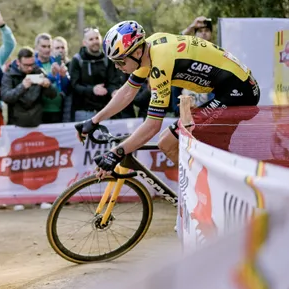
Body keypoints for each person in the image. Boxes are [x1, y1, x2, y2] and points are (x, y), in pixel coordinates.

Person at [76, 20, 260, 176]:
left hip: (239, 90)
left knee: (168, 142)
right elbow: (127, 92)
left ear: (137, 53)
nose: (117, 67)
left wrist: (116, 153)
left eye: (120, 61)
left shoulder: (160, 64)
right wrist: (94, 120)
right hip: (228, 88)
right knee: (178, 141)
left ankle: (208, 191)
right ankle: (208, 187)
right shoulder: (148, 49)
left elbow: (152, 125)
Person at [0, 47, 57, 127]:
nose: (30, 68)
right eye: (26, 65)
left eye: (32, 64)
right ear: (18, 62)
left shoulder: (38, 71)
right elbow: (5, 97)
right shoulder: (9, 75)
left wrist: (48, 86)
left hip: (36, 122)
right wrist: (22, 87)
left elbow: (53, 95)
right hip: (15, 124)